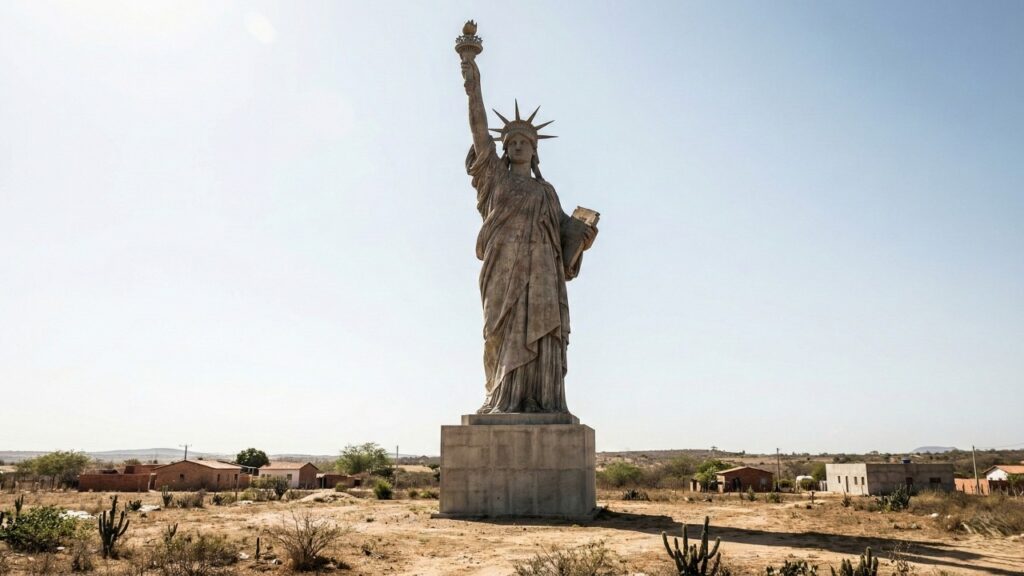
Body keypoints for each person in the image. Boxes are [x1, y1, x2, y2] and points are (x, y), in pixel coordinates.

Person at [460, 57, 597, 414]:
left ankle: (539, 398)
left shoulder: (546, 192)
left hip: (542, 275)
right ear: (503, 148)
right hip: (503, 268)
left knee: (542, 332)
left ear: (535, 150)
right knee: (498, 333)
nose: (519, 145)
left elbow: (564, 233)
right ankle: (501, 397)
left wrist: (580, 234)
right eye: (512, 141)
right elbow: (478, 126)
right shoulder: (495, 179)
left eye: (526, 141)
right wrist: (470, 70)